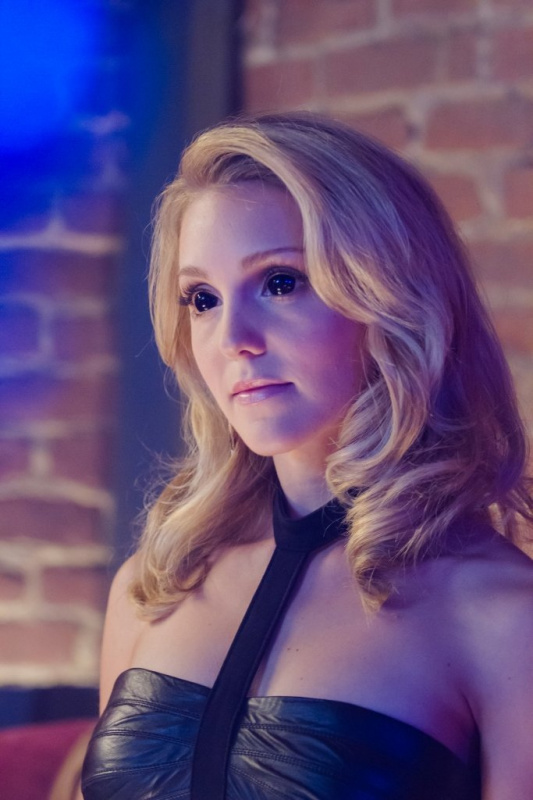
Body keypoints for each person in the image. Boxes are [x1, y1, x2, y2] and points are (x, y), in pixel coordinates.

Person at [81, 112, 533, 800]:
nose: (232, 337)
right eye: (202, 299)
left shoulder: (501, 613)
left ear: (387, 297)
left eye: (281, 282)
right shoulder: (153, 585)